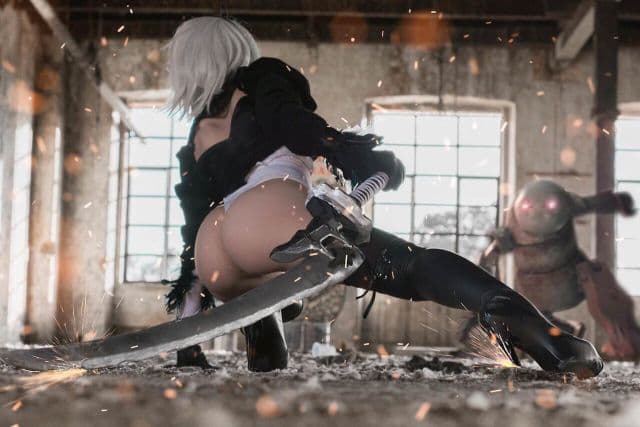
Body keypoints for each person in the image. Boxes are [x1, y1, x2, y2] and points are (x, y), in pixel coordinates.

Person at [163, 16, 603, 377]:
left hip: (216, 256)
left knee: (264, 299)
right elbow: (289, 122)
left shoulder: (197, 136)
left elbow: (192, 229)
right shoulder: (262, 76)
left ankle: (264, 363)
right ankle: (549, 339)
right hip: (264, 220)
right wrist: (354, 153)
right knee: (408, 266)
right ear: (236, 50)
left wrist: (188, 337)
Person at [472, 179, 640, 360]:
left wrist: (617, 202)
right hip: (534, 286)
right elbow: (490, 254)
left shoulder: (566, 204)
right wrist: (481, 283)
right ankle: (568, 331)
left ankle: (624, 341)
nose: (539, 214)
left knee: (602, 294)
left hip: (572, 276)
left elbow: (592, 203)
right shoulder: (512, 227)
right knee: (532, 316)